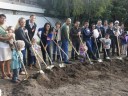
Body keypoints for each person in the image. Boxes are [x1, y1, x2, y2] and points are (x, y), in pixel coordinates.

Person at [0, 14, 13, 79]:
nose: (3, 20)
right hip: (1, 45)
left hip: (7, 44)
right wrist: (7, 39)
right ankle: (3, 74)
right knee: (2, 60)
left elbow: (9, 31)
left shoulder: (5, 25)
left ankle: (8, 72)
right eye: (2, 18)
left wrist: (10, 30)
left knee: (8, 59)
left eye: (4, 19)